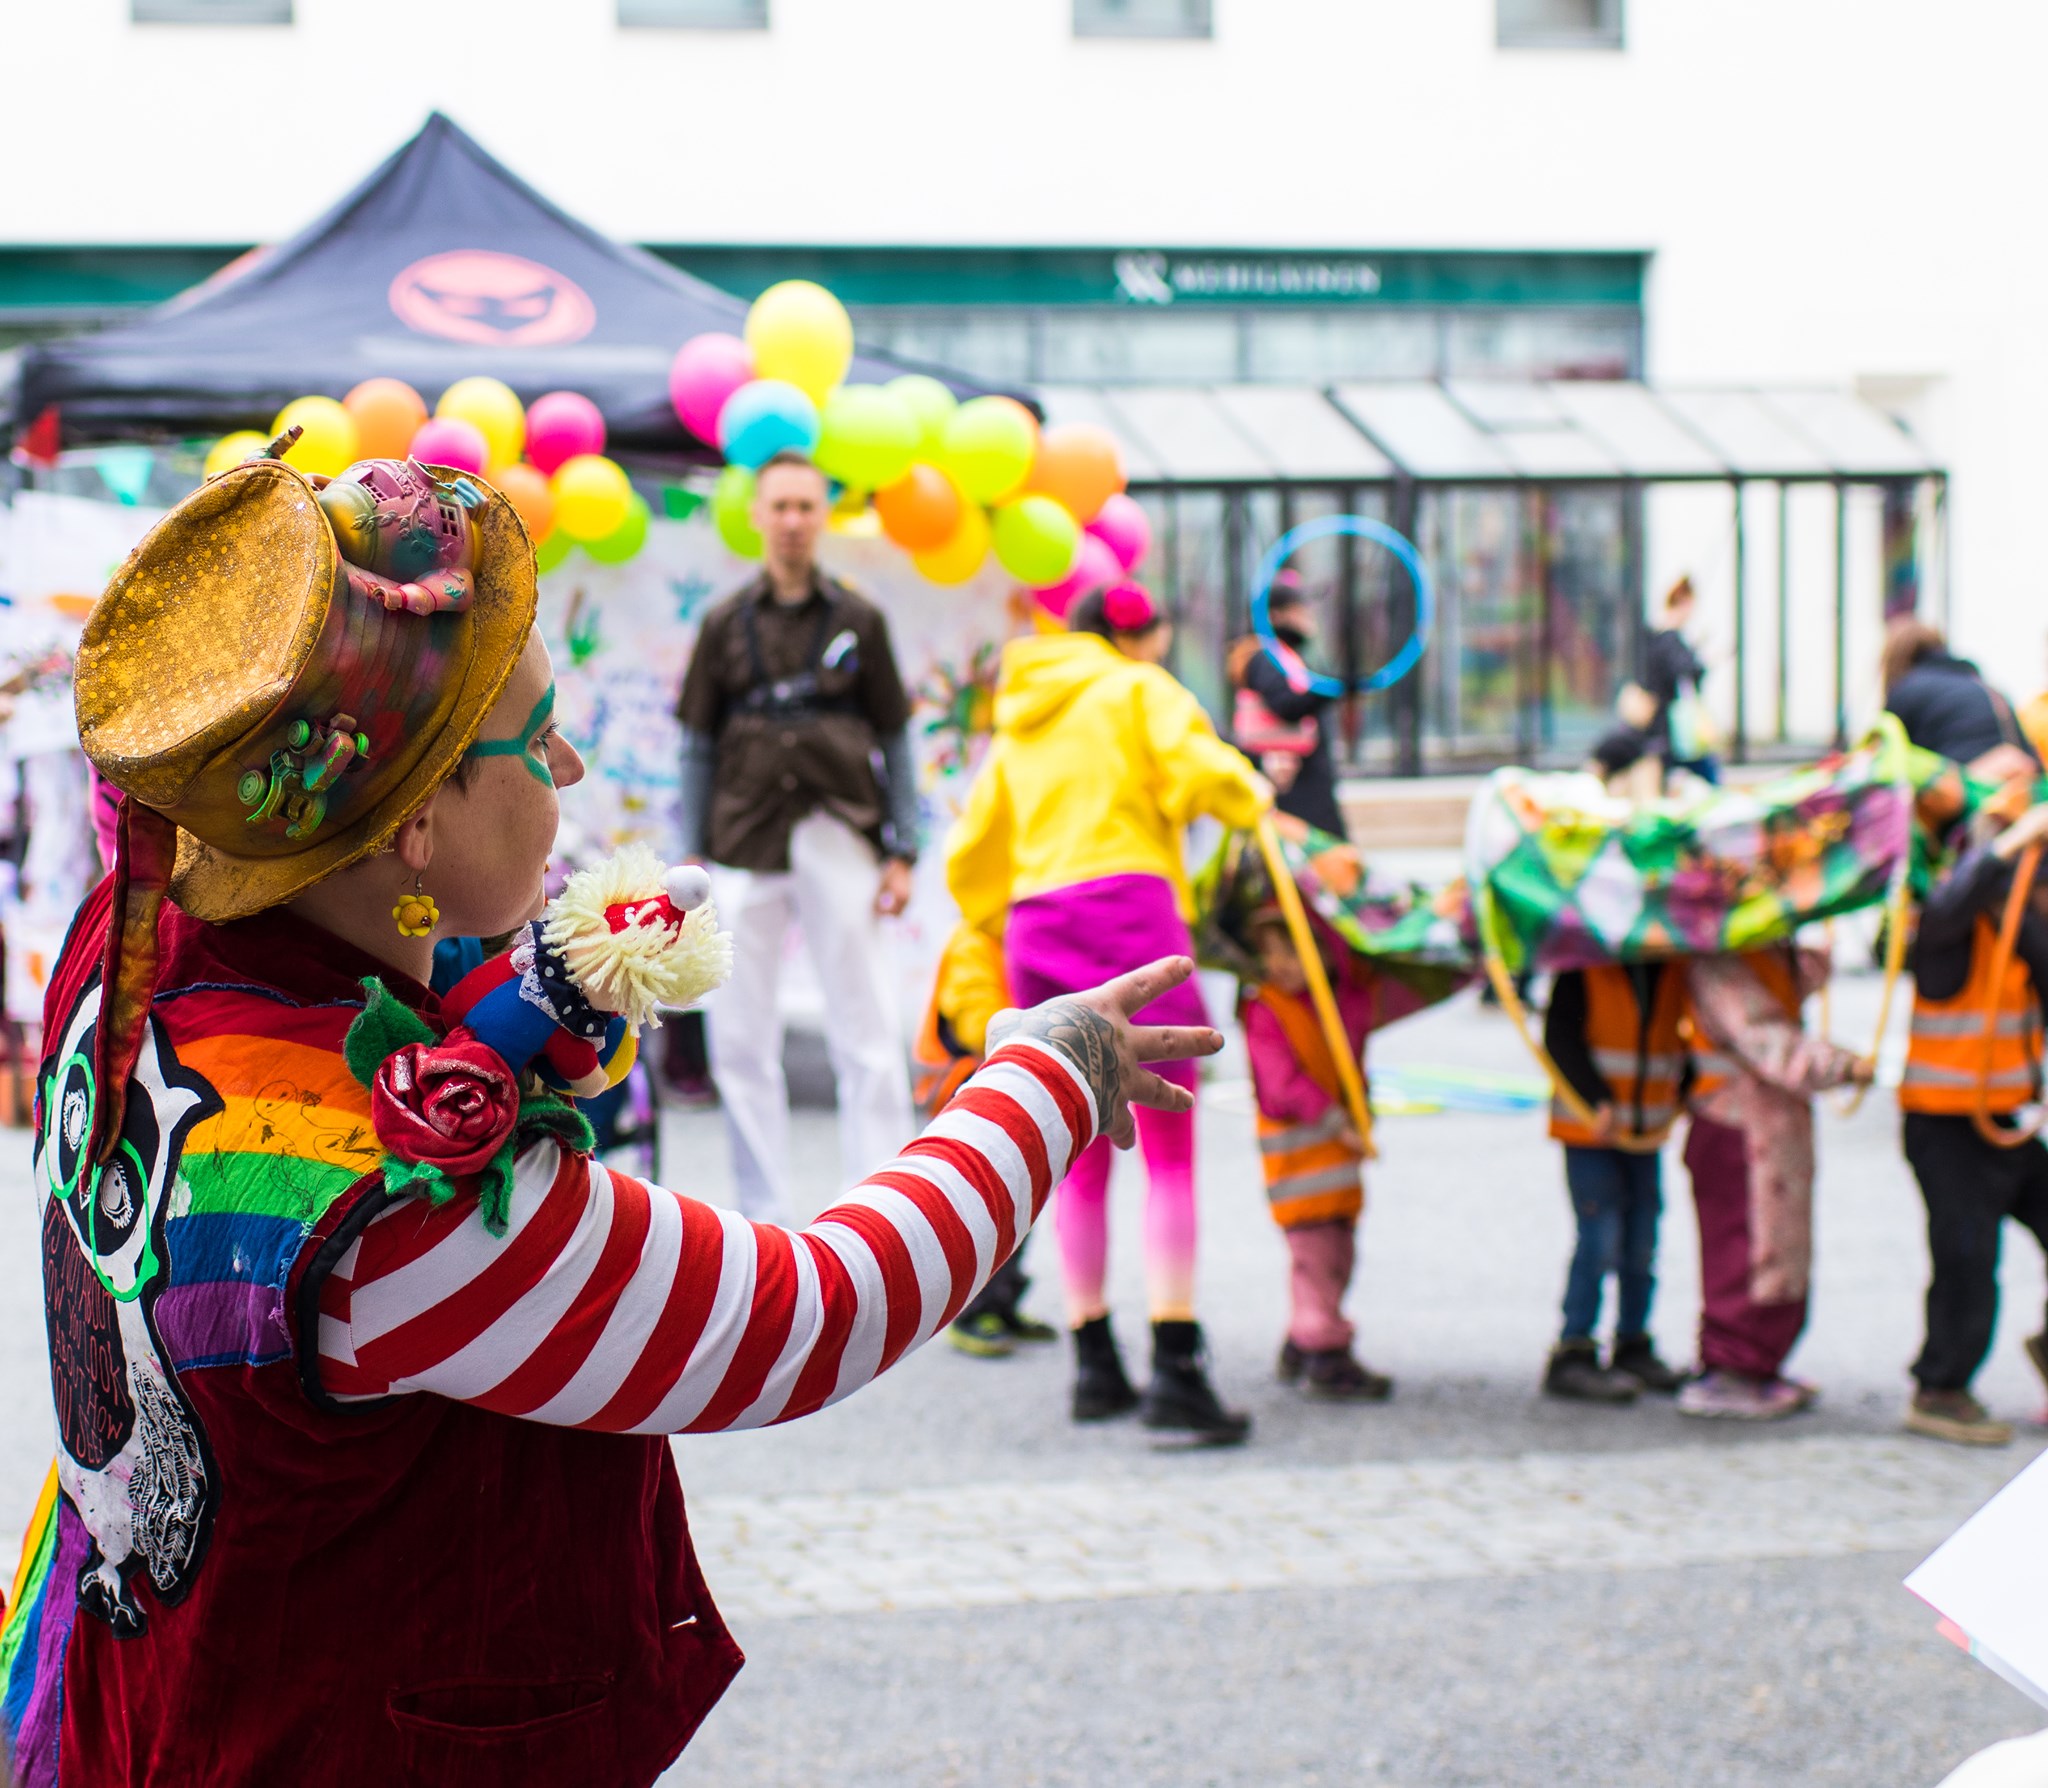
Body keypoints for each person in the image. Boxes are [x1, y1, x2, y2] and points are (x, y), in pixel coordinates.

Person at [1, 452, 1219, 1784]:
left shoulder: (135, 940)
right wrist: (1051, 1068)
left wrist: (522, 987)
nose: (572, 765)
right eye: (536, 738)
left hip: (145, 1687)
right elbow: (811, 1314)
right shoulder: (395, 1206)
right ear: (413, 823)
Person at [948, 580, 1272, 1442]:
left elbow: (974, 854)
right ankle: (1176, 1364)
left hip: (1036, 924)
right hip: (1132, 910)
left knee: (1079, 1142)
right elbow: (1208, 772)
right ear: (1141, 636)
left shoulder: (1021, 717)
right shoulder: (1138, 687)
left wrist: (999, 918)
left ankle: (1094, 1362)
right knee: (1168, 1146)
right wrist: (1255, 797)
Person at [675, 449, 921, 1224]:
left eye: (805, 507)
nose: (791, 522)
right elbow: (697, 746)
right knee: (739, 1038)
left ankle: (882, 1206)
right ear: (757, 515)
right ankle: (763, 1216)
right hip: (742, 840)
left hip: (838, 830)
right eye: (778, 506)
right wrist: (690, 845)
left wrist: (903, 847)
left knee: (867, 1027)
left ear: (824, 516)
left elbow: (897, 735)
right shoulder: (723, 623)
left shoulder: (860, 617)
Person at [1898, 800, 2048, 1446]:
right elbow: (1946, 910)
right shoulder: (1945, 930)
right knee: (1967, 1261)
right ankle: (1941, 1388)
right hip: (1945, 1124)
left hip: (2008, 1121)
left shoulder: (2023, 930)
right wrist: (2014, 837)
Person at [1676, 947, 1870, 1419]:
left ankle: (1762, 1362)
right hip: (1737, 1124)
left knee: (1781, 1244)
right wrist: (1843, 1066)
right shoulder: (1717, 962)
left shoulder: (1765, 955)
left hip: (1772, 1124)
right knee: (1746, 1246)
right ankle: (1732, 1367)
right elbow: (1764, 1039)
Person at [1239, 906, 1391, 1400]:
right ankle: (1325, 1351)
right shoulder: (1266, 1009)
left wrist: (1358, 1109)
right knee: (1318, 1258)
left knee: (1338, 1255)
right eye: (1271, 955)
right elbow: (1281, 1086)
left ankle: (1302, 1341)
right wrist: (1336, 1120)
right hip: (1300, 1165)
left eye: (1292, 952)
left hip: (1337, 1164)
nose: (1281, 965)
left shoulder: (1338, 1003)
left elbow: (1349, 1053)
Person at [1541, 963, 1688, 1402]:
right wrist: (1593, 1098)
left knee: (1642, 1239)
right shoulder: (1585, 969)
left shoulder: (1671, 968)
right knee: (1599, 1237)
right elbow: (1559, 1037)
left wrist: (1682, 1088)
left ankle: (1633, 1341)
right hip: (1591, 1129)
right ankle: (1574, 1348)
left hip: (1645, 1128)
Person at [911, 921, 1059, 1357]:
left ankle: (1004, 1300)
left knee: (1023, 1201)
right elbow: (982, 1027)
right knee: (988, 1207)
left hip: (1004, 1083)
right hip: (964, 1090)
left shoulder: (1014, 934)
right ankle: (974, 1310)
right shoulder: (975, 941)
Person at [1228, 569, 1349, 838]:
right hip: (1292, 792)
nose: (1308, 614)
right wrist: (1331, 687)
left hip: (1302, 790)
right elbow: (1286, 704)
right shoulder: (1264, 656)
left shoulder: (1285, 655)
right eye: (1299, 608)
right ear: (1276, 616)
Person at [1884, 619, 2042, 774]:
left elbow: (1886, 754)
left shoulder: (1907, 688)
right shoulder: (1984, 687)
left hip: (1961, 784)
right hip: (2015, 779)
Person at [1641, 575, 1717, 782]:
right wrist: (1704, 661)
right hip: (1671, 724)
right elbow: (1685, 670)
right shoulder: (1670, 638)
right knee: (1707, 772)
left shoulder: (1654, 635)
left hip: (1659, 723)